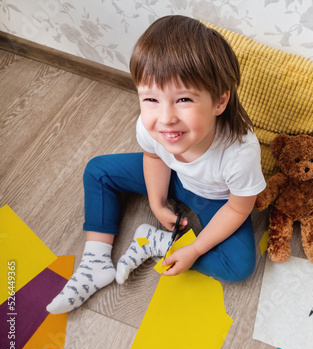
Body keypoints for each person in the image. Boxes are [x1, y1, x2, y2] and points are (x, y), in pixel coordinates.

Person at [47, 15, 266, 314]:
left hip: (218, 198)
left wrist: (193, 249)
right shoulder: (151, 127)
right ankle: (95, 262)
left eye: (184, 99)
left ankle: (156, 241)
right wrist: (156, 202)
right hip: (175, 178)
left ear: (219, 102)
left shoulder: (240, 153)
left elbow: (239, 208)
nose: (165, 118)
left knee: (239, 267)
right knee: (98, 171)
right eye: (150, 98)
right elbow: (154, 157)